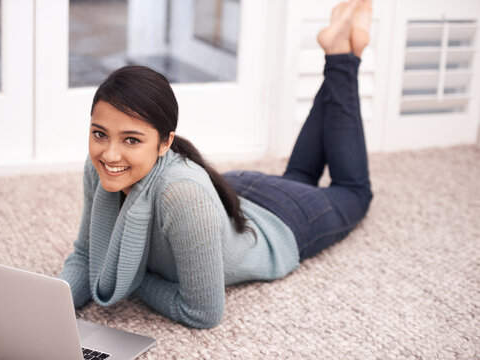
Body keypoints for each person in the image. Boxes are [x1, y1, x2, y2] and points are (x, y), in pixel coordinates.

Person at [59, 0, 373, 329]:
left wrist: (134, 279)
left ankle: (341, 59)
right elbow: (86, 256)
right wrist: (53, 302)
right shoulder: (100, 167)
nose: (109, 155)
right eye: (99, 134)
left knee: (353, 192)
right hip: (230, 194)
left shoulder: (181, 195)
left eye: (131, 140)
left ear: (165, 142)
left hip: (280, 220)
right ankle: (339, 53)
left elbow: (203, 313)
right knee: (298, 176)